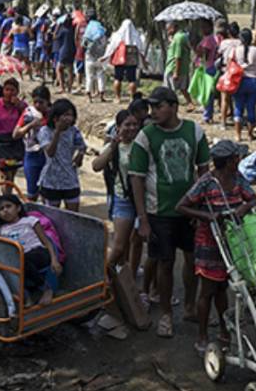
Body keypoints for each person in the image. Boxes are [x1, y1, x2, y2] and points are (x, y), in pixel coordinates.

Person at [129, 86, 211, 338]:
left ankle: (189, 307)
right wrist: (142, 218)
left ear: (173, 106)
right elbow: (136, 179)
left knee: (193, 261)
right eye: (150, 107)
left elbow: (204, 171)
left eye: (158, 106)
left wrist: (201, 208)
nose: (152, 112)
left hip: (190, 212)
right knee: (165, 263)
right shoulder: (145, 136)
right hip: (159, 212)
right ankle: (165, 313)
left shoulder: (194, 131)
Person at [177, 140, 256, 355]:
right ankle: (202, 335)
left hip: (232, 241)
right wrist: (207, 216)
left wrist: (242, 208)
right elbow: (182, 206)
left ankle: (224, 330)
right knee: (207, 290)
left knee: (222, 288)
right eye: (236, 158)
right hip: (209, 241)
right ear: (229, 161)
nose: (239, 161)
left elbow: (253, 200)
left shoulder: (238, 179)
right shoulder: (207, 182)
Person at [0, 194, 63, 306]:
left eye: (8, 206)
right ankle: (26, 294)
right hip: (19, 258)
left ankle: (46, 289)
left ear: (18, 208)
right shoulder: (1, 230)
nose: (5, 210)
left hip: (39, 252)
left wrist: (55, 260)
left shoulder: (30, 221)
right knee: (13, 263)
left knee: (22, 260)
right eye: (1, 209)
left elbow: (47, 242)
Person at [93, 109, 142, 270]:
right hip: (123, 199)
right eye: (127, 124)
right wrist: (113, 146)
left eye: (135, 124)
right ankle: (104, 276)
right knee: (119, 246)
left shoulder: (143, 145)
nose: (132, 128)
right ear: (119, 127)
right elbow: (96, 166)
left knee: (134, 243)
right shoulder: (113, 146)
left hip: (143, 199)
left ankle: (126, 281)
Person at [36, 99, 87, 211]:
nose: (69, 118)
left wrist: (80, 154)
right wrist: (57, 132)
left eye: (71, 115)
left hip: (70, 180)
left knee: (73, 215)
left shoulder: (74, 131)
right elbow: (50, 152)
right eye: (66, 115)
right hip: (51, 181)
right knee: (53, 216)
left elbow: (82, 147)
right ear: (55, 117)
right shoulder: (45, 131)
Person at [0, 78, 27, 183]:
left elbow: (27, 122)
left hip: (15, 143)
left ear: (17, 91)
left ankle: (8, 195)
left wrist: (20, 107)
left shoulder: (22, 105)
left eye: (12, 90)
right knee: (5, 174)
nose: (9, 93)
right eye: (7, 89)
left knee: (12, 173)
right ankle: (6, 196)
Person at [227, 28, 256, 142]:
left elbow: (229, 66)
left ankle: (238, 135)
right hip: (254, 81)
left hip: (239, 81)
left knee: (238, 107)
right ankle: (250, 134)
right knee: (251, 108)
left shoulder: (234, 50)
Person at [13, 85, 51, 198]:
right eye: (35, 102)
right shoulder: (29, 113)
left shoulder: (55, 113)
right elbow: (15, 134)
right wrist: (30, 125)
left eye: (41, 102)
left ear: (48, 101)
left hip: (50, 156)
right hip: (32, 154)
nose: (38, 105)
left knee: (48, 192)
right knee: (32, 192)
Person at [105, 19, 144, 100]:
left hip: (120, 59)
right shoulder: (136, 36)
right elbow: (141, 48)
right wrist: (143, 59)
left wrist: (106, 56)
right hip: (132, 59)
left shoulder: (117, 35)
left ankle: (117, 97)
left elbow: (112, 47)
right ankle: (132, 98)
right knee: (132, 79)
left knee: (118, 78)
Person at [195, 19, 222, 124]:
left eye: (204, 27)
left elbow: (204, 54)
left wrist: (198, 49)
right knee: (208, 92)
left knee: (207, 93)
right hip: (210, 66)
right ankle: (207, 113)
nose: (202, 29)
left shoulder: (208, 39)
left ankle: (207, 115)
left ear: (210, 28)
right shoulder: (211, 39)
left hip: (208, 67)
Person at [164, 21, 194, 107]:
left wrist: (176, 72)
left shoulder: (178, 39)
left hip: (173, 67)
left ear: (173, 28)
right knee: (182, 88)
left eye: (168, 30)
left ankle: (171, 105)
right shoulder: (181, 36)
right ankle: (190, 103)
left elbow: (178, 56)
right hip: (181, 68)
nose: (167, 32)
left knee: (170, 90)